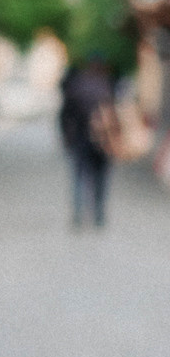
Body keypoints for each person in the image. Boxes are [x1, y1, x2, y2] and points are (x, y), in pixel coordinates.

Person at [59, 55, 116, 228]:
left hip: (80, 139)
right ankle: (98, 214)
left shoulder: (77, 85)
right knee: (101, 179)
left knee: (79, 177)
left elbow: (65, 114)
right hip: (103, 140)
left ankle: (78, 215)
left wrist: (67, 137)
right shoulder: (108, 85)